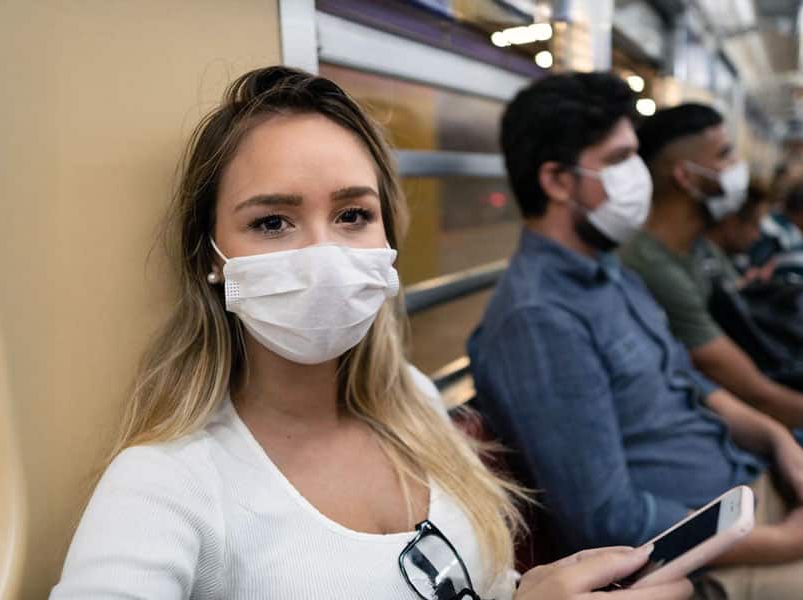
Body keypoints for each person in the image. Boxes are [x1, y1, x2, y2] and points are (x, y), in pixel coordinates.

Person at [49, 67, 690, 599]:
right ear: (213, 258)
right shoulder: (167, 485)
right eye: (273, 222)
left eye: (354, 213)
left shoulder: (413, 400)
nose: (325, 252)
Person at [468, 72, 803, 599]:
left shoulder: (611, 273)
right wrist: (781, 542)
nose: (640, 176)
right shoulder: (539, 321)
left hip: (749, 489)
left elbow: (689, 383)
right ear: (557, 181)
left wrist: (776, 439)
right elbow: (609, 518)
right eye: (620, 160)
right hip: (708, 557)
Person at [621, 104, 803, 428]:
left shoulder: (700, 249)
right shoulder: (652, 268)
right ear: (685, 175)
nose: (737, 167)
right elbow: (759, 395)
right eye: (725, 155)